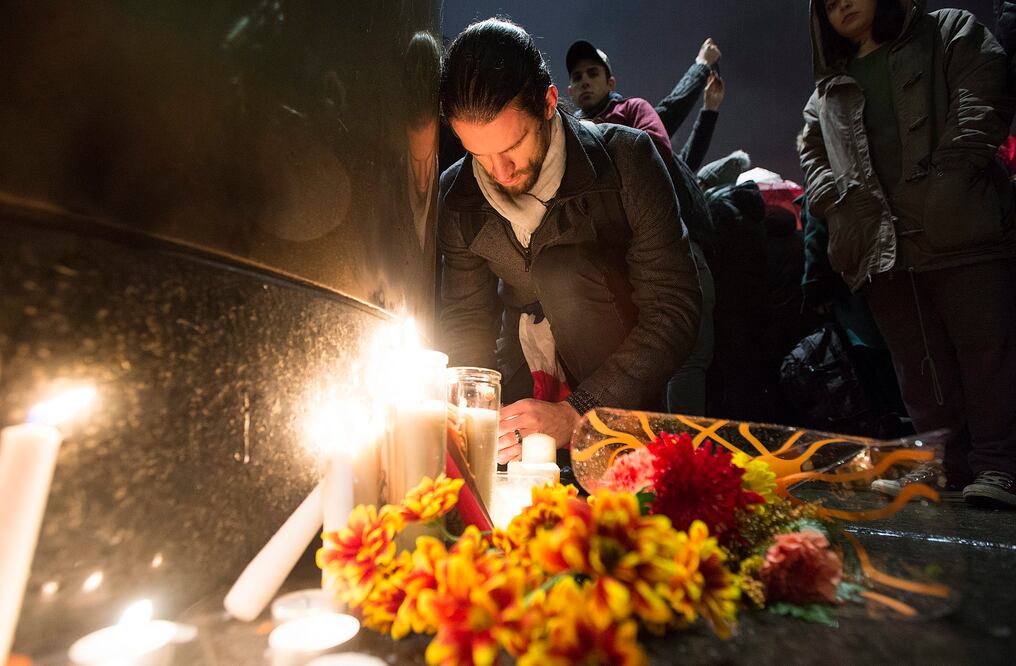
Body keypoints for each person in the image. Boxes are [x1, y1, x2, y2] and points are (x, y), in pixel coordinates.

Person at [438, 18, 701, 464]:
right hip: (524, 390)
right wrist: (480, 420)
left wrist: (578, 412)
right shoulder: (459, 195)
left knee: (560, 271)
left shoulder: (627, 162)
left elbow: (673, 308)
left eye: (513, 146)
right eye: (478, 155)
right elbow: (466, 320)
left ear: (548, 102)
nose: (499, 174)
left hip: (621, 399)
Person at [800, 0, 1016, 508]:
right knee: (919, 366)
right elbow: (813, 155)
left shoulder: (947, 30)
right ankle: (941, 464)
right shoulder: (827, 90)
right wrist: (839, 204)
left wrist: (950, 178)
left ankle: (1001, 467)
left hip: (963, 231)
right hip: (882, 248)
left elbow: (983, 94)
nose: (843, 6)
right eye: (828, 4)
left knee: (988, 354)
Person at [565, 39, 715, 415]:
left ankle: (682, 460)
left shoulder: (632, 110)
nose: (585, 81)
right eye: (577, 76)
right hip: (612, 263)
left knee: (686, 353)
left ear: (611, 81)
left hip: (665, 242)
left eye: (593, 73)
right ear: (568, 90)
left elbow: (655, 154)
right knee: (628, 362)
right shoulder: (566, 133)